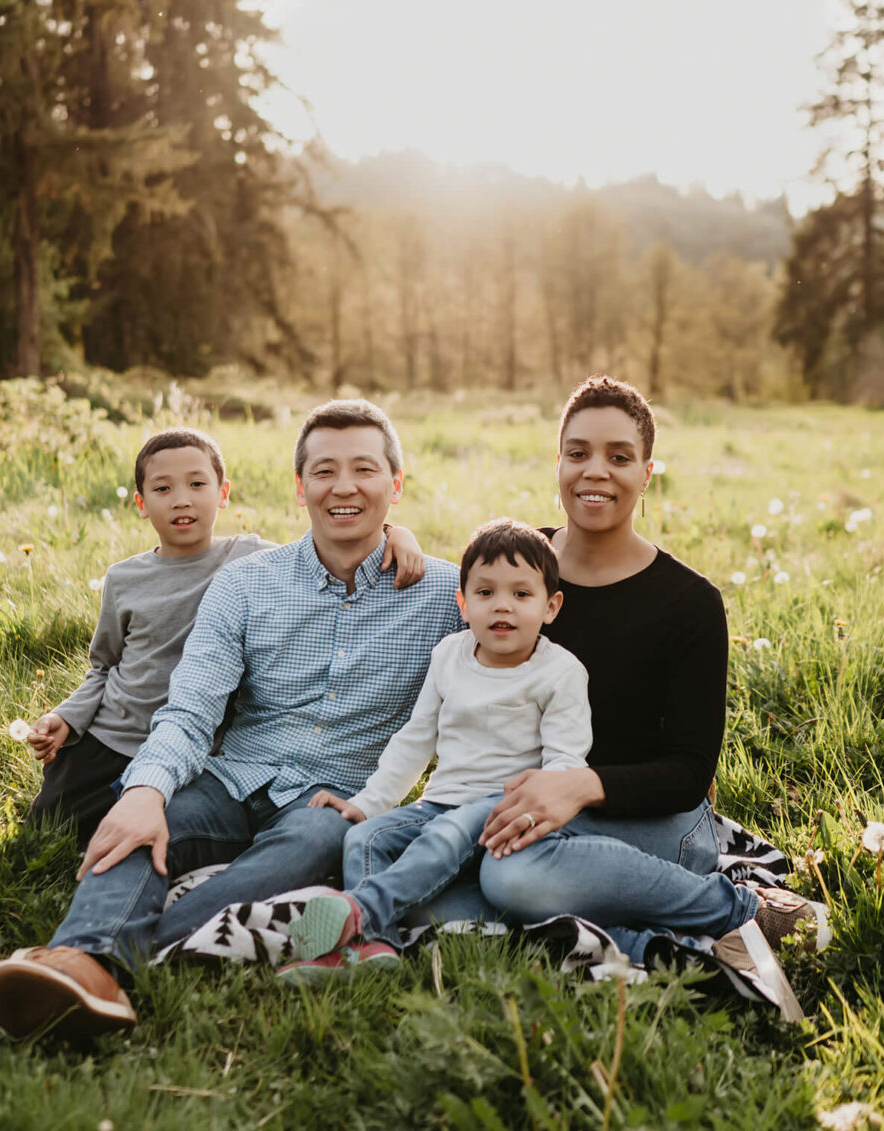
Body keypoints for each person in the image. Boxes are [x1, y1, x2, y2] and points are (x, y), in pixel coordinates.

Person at [0, 400, 463, 1041]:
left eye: (364, 470)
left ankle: (110, 961)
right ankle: (84, 959)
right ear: (299, 488)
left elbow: (537, 578)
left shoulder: (447, 594)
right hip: (232, 776)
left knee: (315, 845)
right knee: (133, 822)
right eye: (323, 471)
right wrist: (147, 791)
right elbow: (191, 707)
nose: (343, 487)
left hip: (333, 799)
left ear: (395, 486)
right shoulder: (245, 585)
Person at [346, 376, 821, 977]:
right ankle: (645, 941)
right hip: (518, 809)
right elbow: (456, 581)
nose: (595, 471)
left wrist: (580, 786)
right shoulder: (522, 568)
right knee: (418, 879)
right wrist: (395, 531)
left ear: (647, 474)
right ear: (559, 464)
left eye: (619, 457)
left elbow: (689, 773)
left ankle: (743, 912)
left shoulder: (689, 603)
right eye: (578, 453)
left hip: (649, 820)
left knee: (507, 873)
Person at [22, 427, 425, 831]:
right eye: (163, 489)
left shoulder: (248, 558)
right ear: (142, 504)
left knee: (172, 828)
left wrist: (394, 533)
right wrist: (69, 717)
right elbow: (104, 667)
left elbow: (325, 545)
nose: (182, 499)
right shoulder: (124, 579)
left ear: (223, 493)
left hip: (198, 746)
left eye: (197, 484)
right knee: (49, 828)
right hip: (113, 738)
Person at [275, 519, 592, 982]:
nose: (502, 606)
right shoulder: (449, 654)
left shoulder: (560, 672)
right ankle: (375, 947)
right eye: (485, 593)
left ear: (551, 606)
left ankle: (357, 913)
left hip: (504, 807)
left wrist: (535, 818)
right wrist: (368, 804)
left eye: (521, 595)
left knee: (443, 837)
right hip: (440, 803)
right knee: (365, 839)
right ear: (463, 603)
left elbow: (565, 761)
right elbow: (416, 737)